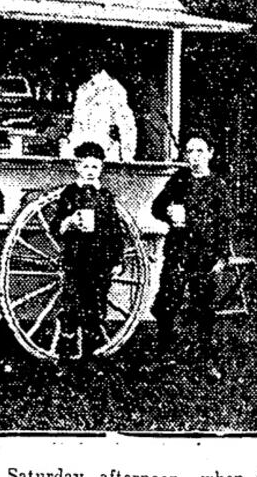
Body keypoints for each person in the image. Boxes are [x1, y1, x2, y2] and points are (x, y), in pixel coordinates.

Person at [150, 135, 231, 381]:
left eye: (199, 151)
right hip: (177, 254)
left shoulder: (218, 186)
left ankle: (206, 360)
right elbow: (156, 207)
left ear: (210, 153)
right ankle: (165, 355)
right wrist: (169, 214)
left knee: (203, 308)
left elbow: (225, 224)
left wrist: (222, 257)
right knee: (166, 304)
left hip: (204, 256)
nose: (194, 156)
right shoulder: (179, 181)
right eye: (189, 151)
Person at [50, 141, 127, 358]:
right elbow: (56, 226)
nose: (90, 171)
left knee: (96, 306)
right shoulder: (70, 193)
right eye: (86, 166)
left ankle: (91, 358)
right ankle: (66, 354)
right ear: (77, 167)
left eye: (94, 167)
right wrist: (70, 221)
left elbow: (115, 231)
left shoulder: (106, 197)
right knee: (72, 304)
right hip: (75, 258)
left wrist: (118, 260)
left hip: (100, 260)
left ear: (101, 168)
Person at [61, 66, 137, 162]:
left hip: (104, 152)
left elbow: (127, 125)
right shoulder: (82, 89)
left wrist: (127, 155)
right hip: (78, 149)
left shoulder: (114, 90)